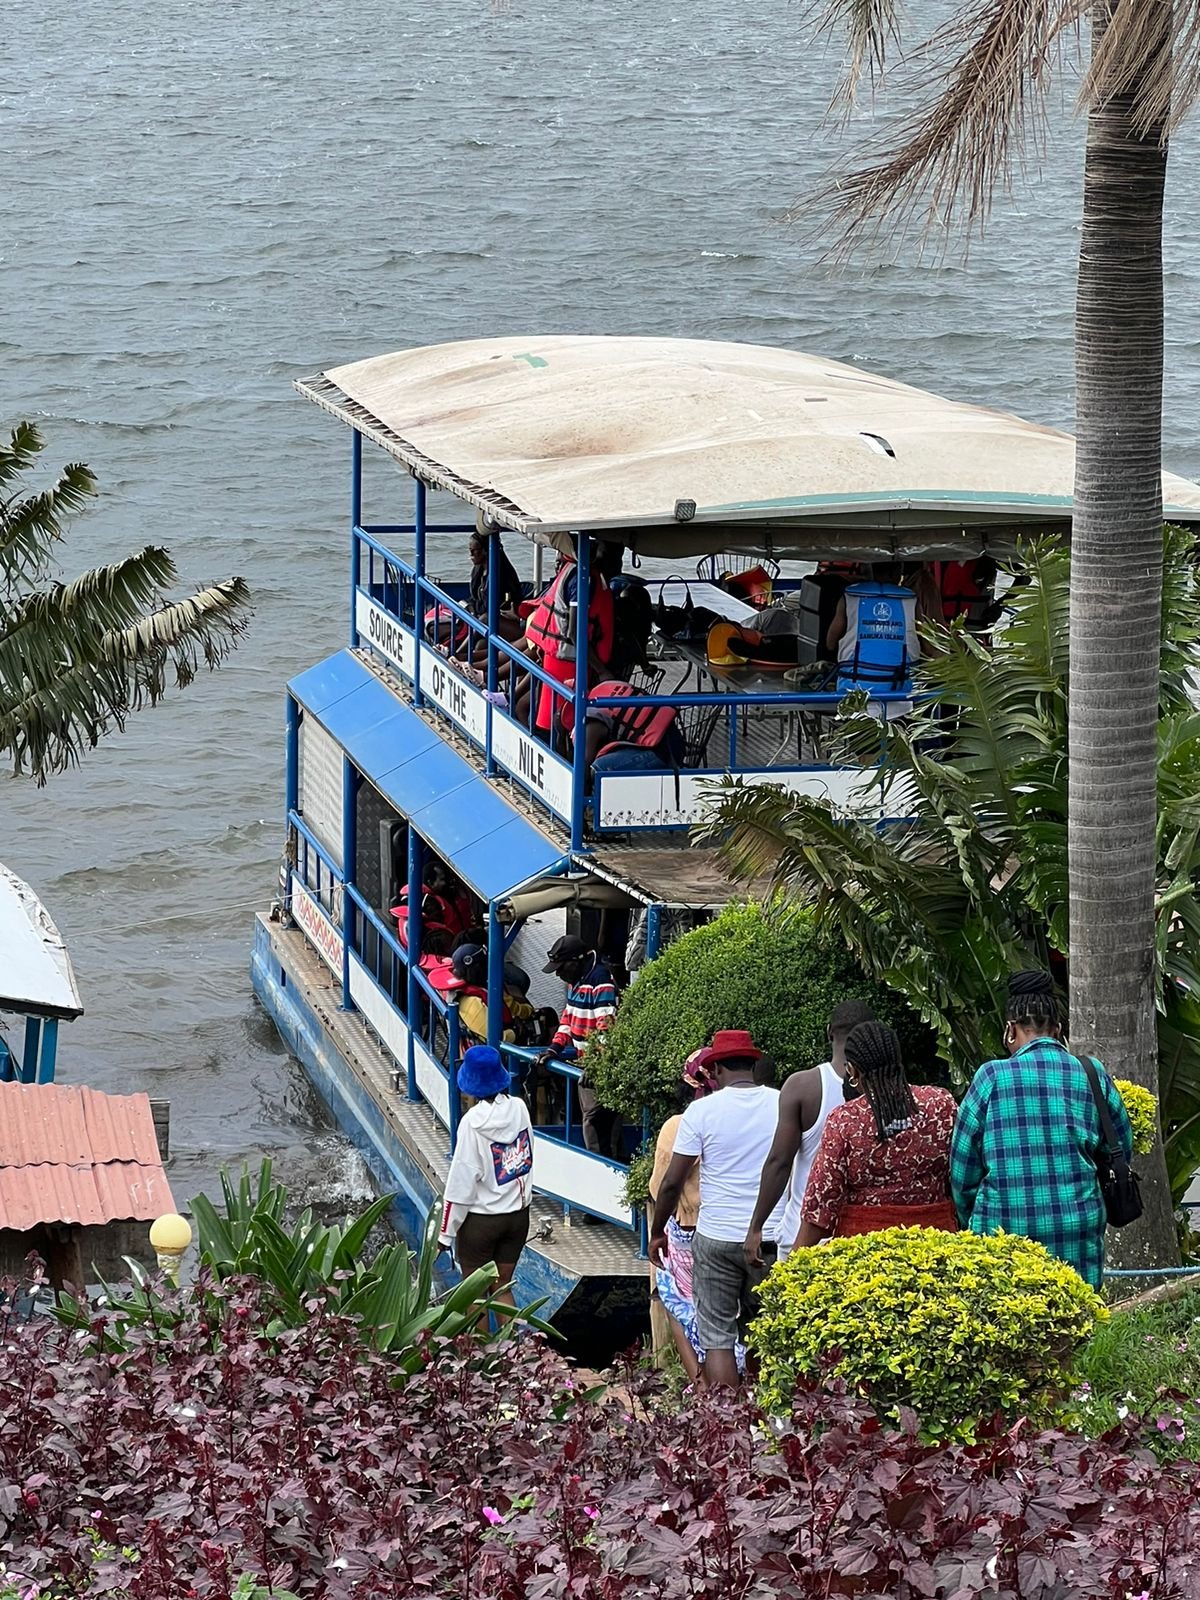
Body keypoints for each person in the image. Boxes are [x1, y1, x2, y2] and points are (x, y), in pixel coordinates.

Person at [950, 969, 1134, 1290]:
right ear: (1058, 1028)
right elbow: (1120, 1149)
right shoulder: (1091, 1072)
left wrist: (972, 1222)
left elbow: (962, 1171)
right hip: (1076, 1231)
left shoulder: (990, 1077)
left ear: (1010, 1029)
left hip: (1003, 1235)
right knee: (1077, 1326)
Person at [649, 1029, 786, 1387]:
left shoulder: (701, 1111)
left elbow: (671, 1182)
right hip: (769, 1238)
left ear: (718, 1070)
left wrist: (656, 1232)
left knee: (717, 1338)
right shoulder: (782, 1104)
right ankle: (763, 1416)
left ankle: (727, 1430)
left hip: (716, 1239)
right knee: (763, 1330)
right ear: (752, 1065)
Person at [794, 1021, 959, 1247]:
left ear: (852, 1070)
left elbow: (822, 1201)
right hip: (937, 1244)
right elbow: (963, 1173)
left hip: (866, 1254)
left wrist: (793, 1262)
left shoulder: (844, 1120)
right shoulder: (941, 1104)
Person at [743, 999, 875, 1271]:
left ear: (829, 1032)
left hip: (802, 1235)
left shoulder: (804, 1086)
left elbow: (779, 1162)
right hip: (861, 1237)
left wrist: (756, 1226)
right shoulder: (888, 1091)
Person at [438, 1045, 534, 1311]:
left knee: (475, 1293)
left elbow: (461, 1184)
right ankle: (516, 1351)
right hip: (517, 1216)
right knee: (502, 1286)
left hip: (482, 1222)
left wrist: (445, 1235)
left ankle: (480, 1351)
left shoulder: (471, 1124)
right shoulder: (519, 1108)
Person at [538, 934, 619, 1155]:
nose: (558, 974)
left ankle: (603, 1170)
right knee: (589, 1120)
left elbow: (607, 1027)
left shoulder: (600, 980)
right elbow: (568, 1019)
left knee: (595, 1123)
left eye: (560, 967)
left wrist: (596, 1064)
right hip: (585, 1064)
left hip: (599, 1069)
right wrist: (554, 1049)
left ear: (575, 961)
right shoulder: (576, 980)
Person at [446, 943, 540, 1047]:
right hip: (496, 1053)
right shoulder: (471, 1003)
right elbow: (497, 1038)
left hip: (506, 1031)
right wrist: (518, 1032)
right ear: (479, 967)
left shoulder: (482, 987)